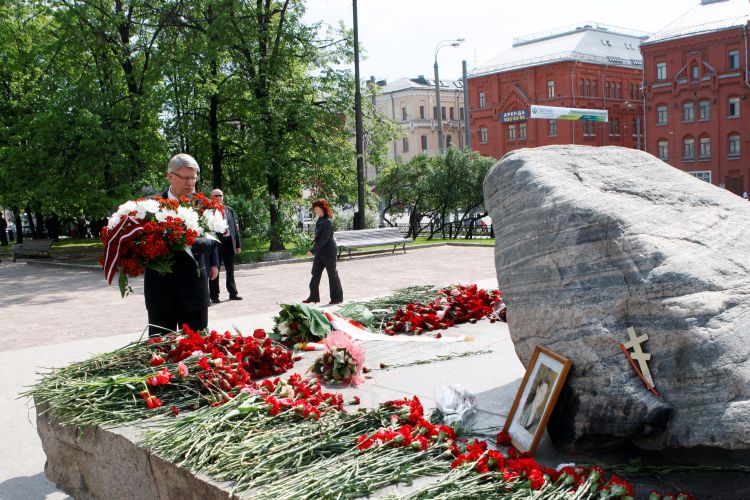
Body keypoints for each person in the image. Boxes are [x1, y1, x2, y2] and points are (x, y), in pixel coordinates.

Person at [143, 153, 219, 337]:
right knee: (161, 349)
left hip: (194, 292)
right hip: (160, 294)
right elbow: (140, 242)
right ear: (170, 176)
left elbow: (214, 240)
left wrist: (183, 242)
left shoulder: (204, 206)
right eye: (185, 178)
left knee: (197, 348)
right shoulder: (150, 206)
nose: (190, 183)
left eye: (194, 178)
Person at [303, 199, 343, 305]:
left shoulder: (328, 222)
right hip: (320, 251)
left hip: (329, 251)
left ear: (323, 209)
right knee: (315, 273)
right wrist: (315, 249)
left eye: (317, 209)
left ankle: (337, 298)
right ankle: (313, 297)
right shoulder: (320, 220)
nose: (315, 211)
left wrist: (313, 250)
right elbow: (319, 238)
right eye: (315, 209)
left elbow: (324, 239)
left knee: (332, 274)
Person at [209, 188, 242, 303]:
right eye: (215, 196)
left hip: (229, 243)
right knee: (215, 270)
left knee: (230, 269)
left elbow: (234, 228)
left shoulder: (229, 210)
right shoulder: (209, 210)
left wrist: (237, 244)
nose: (218, 197)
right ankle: (214, 296)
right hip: (216, 244)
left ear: (223, 197)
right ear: (212, 198)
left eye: (220, 195)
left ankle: (233, 293)